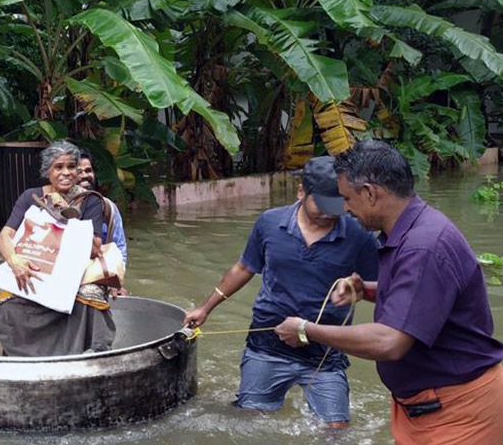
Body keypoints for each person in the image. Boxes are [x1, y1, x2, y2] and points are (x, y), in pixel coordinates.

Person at [275, 141, 503, 444]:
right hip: (424, 408)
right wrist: (366, 291)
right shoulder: (413, 231)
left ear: (370, 193)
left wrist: (306, 329)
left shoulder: (423, 245)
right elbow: (426, 295)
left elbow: (390, 342)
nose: (344, 208)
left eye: (347, 198)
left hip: (459, 412)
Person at [183, 156, 380, 428]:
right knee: (250, 424)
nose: (329, 213)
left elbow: (384, 288)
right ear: (301, 191)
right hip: (268, 346)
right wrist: (205, 308)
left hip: (324, 353)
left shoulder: (359, 234)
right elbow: (243, 268)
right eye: (321, 204)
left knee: (336, 431)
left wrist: (358, 289)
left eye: (338, 205)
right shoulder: (269, 223)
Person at [0, 140, 115, 356]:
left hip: (74, 273)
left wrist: (65, 213)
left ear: (78, 170)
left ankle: (92, 354)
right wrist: (15, 261)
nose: (66, 173)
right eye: (58, 167)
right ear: (47, 171)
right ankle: (17, 355)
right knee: (7, 297)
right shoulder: (30, 197)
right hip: (39, 266)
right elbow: (5, 236)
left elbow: (95, 248)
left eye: (71, 167)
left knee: (92, 295)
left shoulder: (90, 200)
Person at [78, 152, 127, 265]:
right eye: (79, 171)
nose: (85, 175)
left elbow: (120, 251)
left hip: (97, 273)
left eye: (88, 170)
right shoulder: (58, 205)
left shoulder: (108, 208)